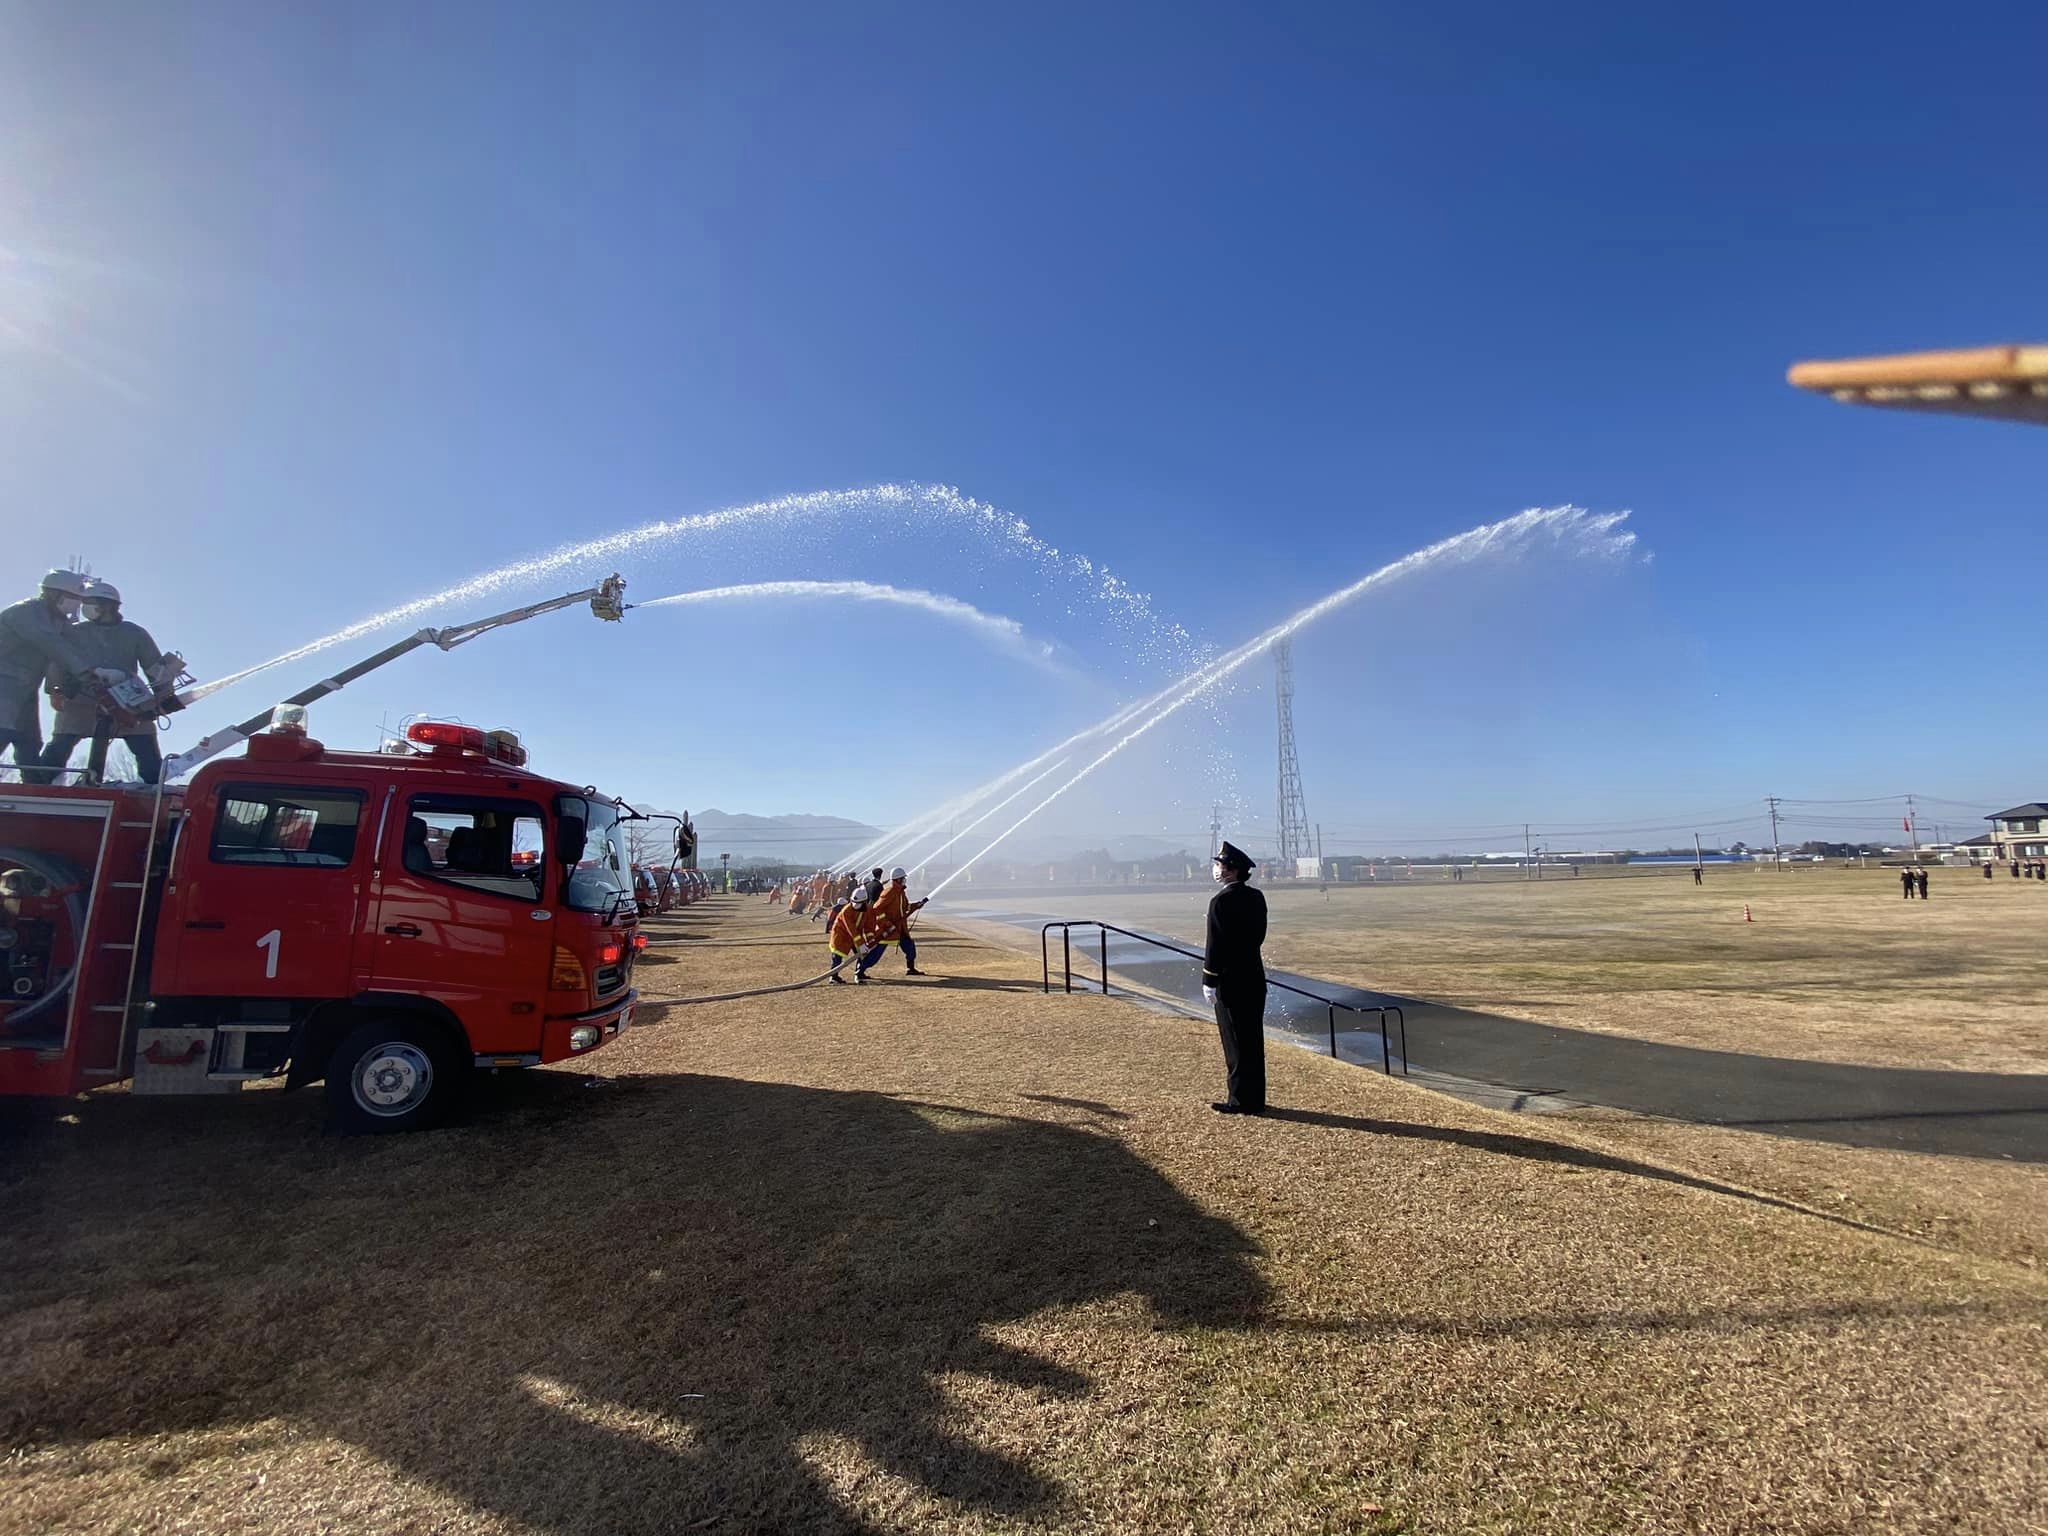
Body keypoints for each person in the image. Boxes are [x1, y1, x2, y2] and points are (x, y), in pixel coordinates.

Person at [39, 580, 172, 785]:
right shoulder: (73, 632)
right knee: (58, 748)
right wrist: (55, 691)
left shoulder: (134, 633)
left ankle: (154, 793)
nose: (85, 607)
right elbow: (58, 662)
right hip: (81, 701)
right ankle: (36, 787)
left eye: (90, 602)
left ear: (107, 605)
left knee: (147, 754)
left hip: (127, 702)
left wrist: (164, 697)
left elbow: (155, 667)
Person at [0, 570, 94, 782]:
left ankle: (33, 787)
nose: (76, 604)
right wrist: (85, 670)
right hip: (4, 684)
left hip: (25, 688)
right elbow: (51, 643)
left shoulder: (58, 621)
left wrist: (97, 671)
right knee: (2, 731)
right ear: (54, 594)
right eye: (74, 598)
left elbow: (74, 648)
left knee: (29, 740)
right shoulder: (25, 613)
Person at [1201, 840, 1267, 1116]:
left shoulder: (1221, 901)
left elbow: (1215, 945)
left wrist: (1209, 979)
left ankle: (1240, 1100)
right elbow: (1258, 937)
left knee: (1235, 1042)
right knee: (1252, 1039)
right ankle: (1255, 1097)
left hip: (1230, 981)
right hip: (1253, 976)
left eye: (1220, 865)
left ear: (1231, 871)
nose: (1216, 869)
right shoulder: (1256, 897)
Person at [859, 866, 928, 978]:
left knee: (910, 947)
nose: (904, 880)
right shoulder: (889, 892)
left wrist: (916, 905)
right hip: (887, 930)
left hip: (900, 928)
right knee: (876, 954)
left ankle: (910, 968)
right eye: (903, 879)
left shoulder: (901, 893)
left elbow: (905, 907)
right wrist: (887, 924)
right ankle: (860, 970)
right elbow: (877, 908)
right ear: (897, 880)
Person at [828, 886, 873, 983]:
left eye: (859, 903)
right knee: (837, 955)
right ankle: (833, 977)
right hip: (841, 935)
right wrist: (860, 943)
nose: (855, 905)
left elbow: (869, 926)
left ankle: (859, 974)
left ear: (865, 902)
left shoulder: (867, 910)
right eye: (854, 902)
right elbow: (851, 928)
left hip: (856, 936)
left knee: (863, 955)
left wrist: (870, 939)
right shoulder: (846, 910)